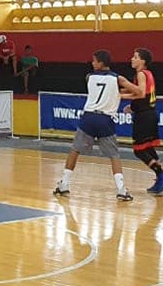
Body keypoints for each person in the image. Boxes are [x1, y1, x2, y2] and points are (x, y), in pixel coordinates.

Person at [53, 49, 134, 201]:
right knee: (114, 155)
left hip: (89, 117)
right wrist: (121, 93)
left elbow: (100, 90)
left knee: (75, 150)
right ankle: (121, 189)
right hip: (105, 119)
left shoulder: (89, 77)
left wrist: (115, 93)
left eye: (94, 60)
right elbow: (137, 91)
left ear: (101, 63)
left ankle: (64, 184)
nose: (92, 63)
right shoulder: (118, 79)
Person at [122, 48, 163, 194]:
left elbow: (139, 93)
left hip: (144, 117)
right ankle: (160, 177)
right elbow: (143, 94)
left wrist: (120, 95)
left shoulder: (140, 74)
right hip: (150, 113)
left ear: (143, 61)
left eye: (135, 57)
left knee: (139, 150)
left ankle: (160, 174)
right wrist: (132, 106)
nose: (132, 59)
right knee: (148, 148)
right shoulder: (148, 73)